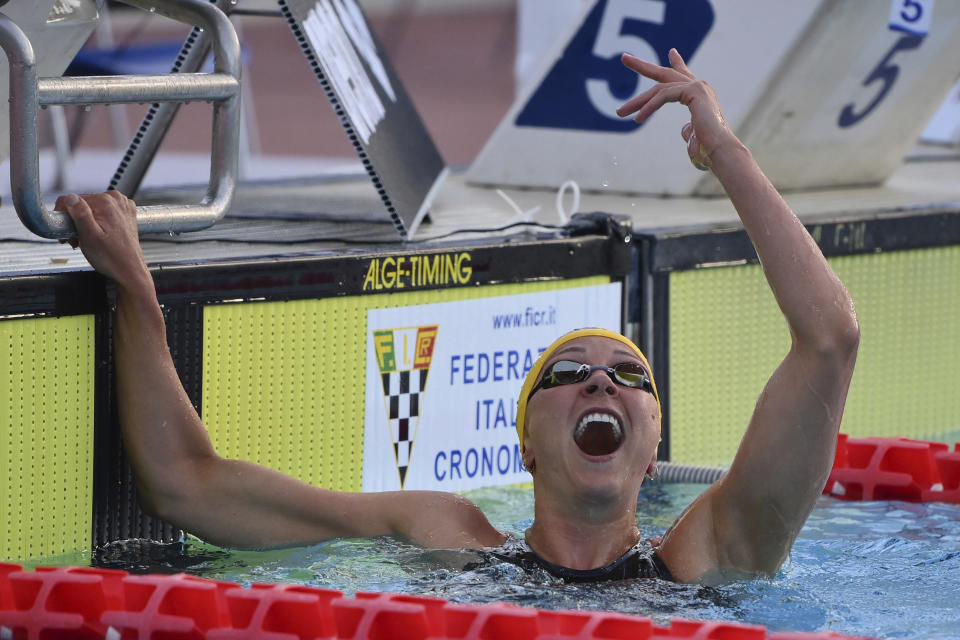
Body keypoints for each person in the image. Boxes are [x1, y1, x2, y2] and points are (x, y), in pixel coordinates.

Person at [55, 49, 859, 585]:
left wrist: (725, 150)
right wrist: (137, 293)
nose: (599, 387)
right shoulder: (447, 538)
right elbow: (188, 488)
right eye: (569, 375)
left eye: (627, 379)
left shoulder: (710, 552)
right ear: (525, 449)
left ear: (653, 451)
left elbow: (830, 339)